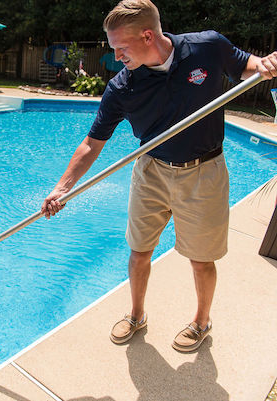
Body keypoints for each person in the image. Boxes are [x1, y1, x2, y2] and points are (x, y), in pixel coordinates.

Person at [41, 0, 277, 352]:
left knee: (201, 260)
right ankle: (137, 315)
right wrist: (62, 189)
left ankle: (201, 321)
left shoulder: (207, 47)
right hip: (151, 171)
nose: (117, 56)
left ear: (148, 35)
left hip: (204, 171)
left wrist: (267, 64)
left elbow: (249, 66)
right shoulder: (122, 87)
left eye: (121, 48)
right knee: (139, 252)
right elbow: (92, 143)